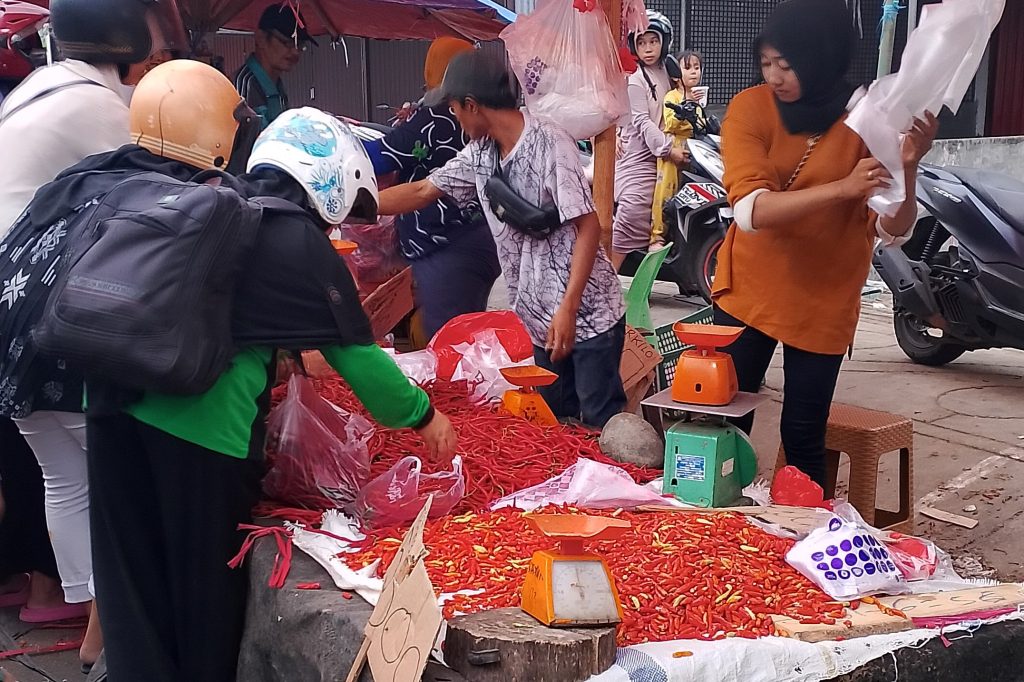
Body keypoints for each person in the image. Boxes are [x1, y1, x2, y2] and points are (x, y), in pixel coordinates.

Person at [76, 85, 456, 679]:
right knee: (202, 594)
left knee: (133, 583)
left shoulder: (211, 198)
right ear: (328, 183)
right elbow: (363, 365)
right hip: (200, 434)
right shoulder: (297, 241)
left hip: (110, 405)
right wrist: (425, 416)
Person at [0, 0, 184, 670]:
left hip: (5, 312)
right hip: (42, 310)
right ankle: (115, 632)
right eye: (158, 58)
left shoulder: (39, 88)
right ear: (131, 53)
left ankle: (92, 630)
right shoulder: (106, 110)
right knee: (108, 464)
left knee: (62, 469)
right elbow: (165, 201)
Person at [714, 0, 937, 486]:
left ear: (822, 58)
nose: (774, 76)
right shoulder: (749, 108)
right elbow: (751, 212)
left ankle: (801, 539)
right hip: (750, 289)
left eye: (787, 64)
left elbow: (893, 230)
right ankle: (722, 532)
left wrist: (908, 164)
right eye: (767, 62)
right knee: (724, 423)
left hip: (824, 298)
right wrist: (842, 188)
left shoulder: (866, 119)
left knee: (803, 433)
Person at [377, 50, 627, 428]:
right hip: (540, 321)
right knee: (554, 427)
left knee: (598, 426)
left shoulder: (549, 143)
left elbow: (587, 227)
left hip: (589, 316)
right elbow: (424, 191)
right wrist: (353, 205)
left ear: (472, 105)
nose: (455, 117)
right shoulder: (480, 153)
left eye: (455, 109)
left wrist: (569, 309)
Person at [361, 37, 501, 340]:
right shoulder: (480, 115)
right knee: (464, 336)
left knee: (447, 344)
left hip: (447, 248)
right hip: (478, 240)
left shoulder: (437, 116)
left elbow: (382, 158)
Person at [611, 10, 688, 270]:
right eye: (641, 42)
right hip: (641, 156)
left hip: (667, 150)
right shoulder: (635, 80)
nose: (647, 49)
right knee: (634, 208)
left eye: (653, 41)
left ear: (664, 42)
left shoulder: (668, 73)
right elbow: (642, 122)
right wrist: (667, 150)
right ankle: (609, 272)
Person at [234, 3, 316, 129]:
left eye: (300, 45)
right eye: (287, 42)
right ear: (261, 38)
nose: (295, 51)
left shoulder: (277, 88)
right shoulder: (242, 86)